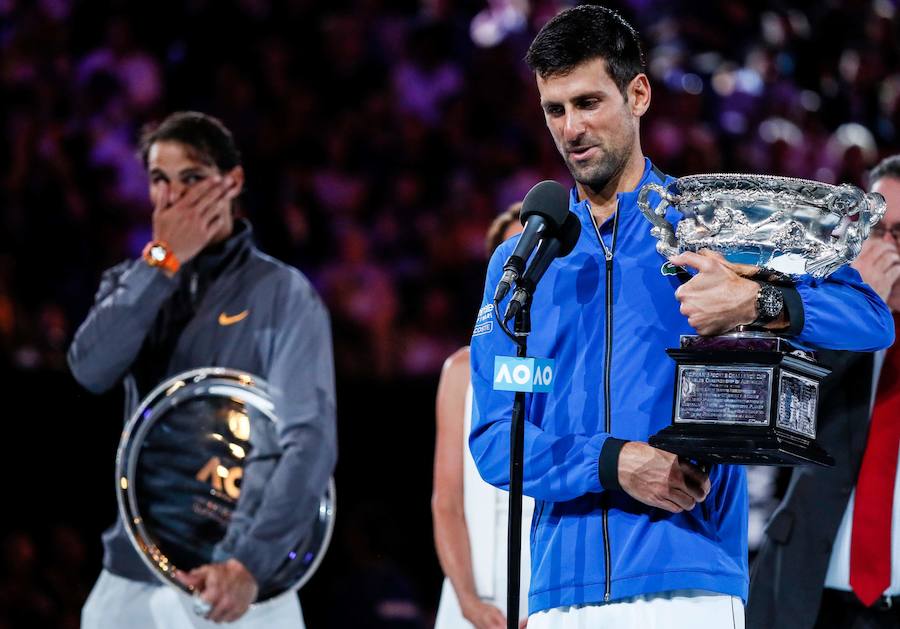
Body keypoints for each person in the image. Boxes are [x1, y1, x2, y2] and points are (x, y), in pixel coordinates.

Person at [468, 6, 895, 629]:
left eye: (588, 102)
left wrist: (758, 301)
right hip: (559, 594)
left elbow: (869, 316)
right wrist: (614, 463)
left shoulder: (713, 222)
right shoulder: (524, 259)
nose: (571, 129)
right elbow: (492, 439)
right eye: (554, 110)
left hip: (692, 578)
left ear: (638, 93)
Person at [69, 111, 336, 628]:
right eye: (158, 181)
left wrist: (248, 563)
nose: (173, 198)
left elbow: (309, 441)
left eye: (191, 178)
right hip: (133, 573)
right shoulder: (133, 282)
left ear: (232, 182)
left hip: (239, 585)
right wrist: (162, 263)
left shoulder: (285, 295)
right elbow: (90, 370)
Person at [747, 155, 900, 629]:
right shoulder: (817, 313)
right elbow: (776, 421)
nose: (889, 250)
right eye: (876, 232)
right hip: (810, 593)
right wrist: (859, 312)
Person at [432, 204, 530, 629]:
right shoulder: (460, 372)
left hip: (544, 602)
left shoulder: (571, 368)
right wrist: (469, 602)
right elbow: (447, 502)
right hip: (468, 605)